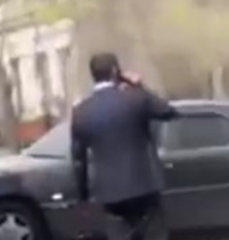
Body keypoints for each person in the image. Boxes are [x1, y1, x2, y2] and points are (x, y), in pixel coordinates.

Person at [71, 53, 179, 240]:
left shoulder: (81, 112)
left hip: (111, 195)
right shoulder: (135, 98)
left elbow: (78, 160)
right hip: (144, 187)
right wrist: (139, 87)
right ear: (115, 71)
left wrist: (83, 196)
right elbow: (168, 111)